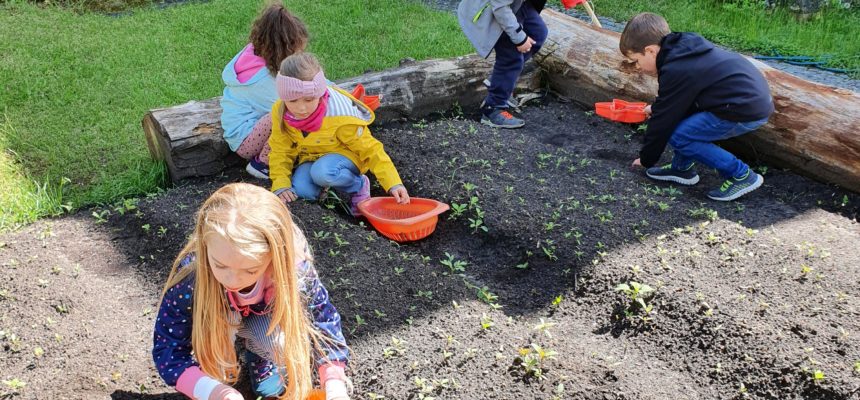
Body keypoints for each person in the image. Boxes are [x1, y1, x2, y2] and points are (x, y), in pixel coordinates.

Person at [152, 183, 351, 400]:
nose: (232, 280)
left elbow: (324, 324)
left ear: (274, 259)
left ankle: (259, 354)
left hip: (264, 313)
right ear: (204, 246)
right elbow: (168, 350)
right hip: (217, 316)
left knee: (278, 351)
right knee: (217, 371)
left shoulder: (295, 272)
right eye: (220, 265)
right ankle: (217, 358)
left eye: (249, 270)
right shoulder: (192, 278)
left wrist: (334, 384)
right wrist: (212, 390)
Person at [622, 12, 774, 201]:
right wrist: (657, 108)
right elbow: (678, 102)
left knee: (680, 136)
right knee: (682, 124)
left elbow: (663, 121)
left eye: (636, 60)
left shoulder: (675, 69)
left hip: (742, 108)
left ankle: (741, 175)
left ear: (651, 51)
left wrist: (646, 159)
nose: (637, 66)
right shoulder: (683, 50)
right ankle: (681, 169)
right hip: (744, 99)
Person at [267, 52, 410, 216]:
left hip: (345, 158)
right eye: (293, 101)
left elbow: (371, 150)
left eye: (308, 100)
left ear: (320, 94)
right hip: (312, 158)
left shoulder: (340, 116)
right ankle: (327, 199)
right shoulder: (280, 111)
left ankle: (358, 185)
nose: (301, 108)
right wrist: (280, 183)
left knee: (322, 173)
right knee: (301, 190)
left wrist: (394, 184)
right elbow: (280, 149)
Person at [220, 4, 309, 179]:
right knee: (291, 111)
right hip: (245, 140)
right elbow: (293, 101)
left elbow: (302, 75)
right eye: (296, 53)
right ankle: (263, 163)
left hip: (250, 128)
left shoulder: (256, 53)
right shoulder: (262, 82)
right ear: (283, 51)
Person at [457, 0, 560, 128]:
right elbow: (500, 7)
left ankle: (500, 80)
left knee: (537, 33)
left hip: (516, 4)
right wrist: (520, 39)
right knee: (511, 57)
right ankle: (492, 109)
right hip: (491, 10)